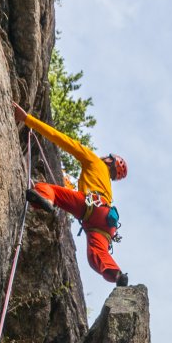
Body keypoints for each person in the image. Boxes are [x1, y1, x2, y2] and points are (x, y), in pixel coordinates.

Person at [13, 102, 129, 286]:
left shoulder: (93, 161)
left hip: (90, 207)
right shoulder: (105, 183)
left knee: (49, 189)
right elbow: (77, 195)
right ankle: (116, 274)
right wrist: (67, 183)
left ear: (109, 160)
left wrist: (27, 119)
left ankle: (46, 199)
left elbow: (63, 140)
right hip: (106, 222)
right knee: (96, 255)